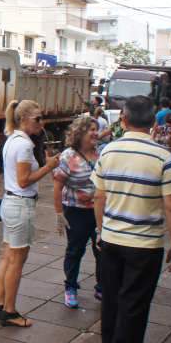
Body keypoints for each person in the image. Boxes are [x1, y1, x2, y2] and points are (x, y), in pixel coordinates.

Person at [92, 95, 171, 343]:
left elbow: (99, 196)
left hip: (111, 240)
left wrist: (100, 231)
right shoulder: (164, 157)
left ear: (124, 118)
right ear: (153, 120)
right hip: (145, 245)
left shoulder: (107, 152)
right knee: (134, 308)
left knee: (111, 303)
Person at [0, 100, 59, 327]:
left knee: (8, 258)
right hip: (20, 205)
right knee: (17, 262)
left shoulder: (12, 139)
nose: (41, 122)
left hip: (10, 204)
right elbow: (23, 181)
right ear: (23, 120)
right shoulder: (25, 145)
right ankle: (9, 312)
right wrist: (48, 167)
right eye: (37, 118)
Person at [52, 116, 102, 309]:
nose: (96, 133)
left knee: (102, 250)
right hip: (75, 211)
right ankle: (71, 287)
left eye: (97, 129)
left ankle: (102, 287)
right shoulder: (68, 157)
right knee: (75, 250)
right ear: (80, 132)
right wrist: (59, 215)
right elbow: (57, 188)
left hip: (99, 211)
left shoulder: (101, 154)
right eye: (92, 129)